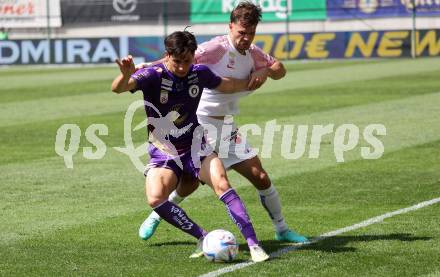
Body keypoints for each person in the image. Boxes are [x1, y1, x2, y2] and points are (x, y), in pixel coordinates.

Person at [139, 1, 309, 244]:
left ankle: (281, 229)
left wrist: (266, 71)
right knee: (189, 184)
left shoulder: (253, 53)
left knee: (260, 176)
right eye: (241, 32)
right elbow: (178, 58)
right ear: (230, 26)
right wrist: (149, 66)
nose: (246, 38)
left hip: (226, 126)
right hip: (199, 125)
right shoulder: (216, 48)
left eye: (251, 33)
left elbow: (280, 69)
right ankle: (157, 214)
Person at [112, 30, 270, 262]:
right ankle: (201, 236)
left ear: (194, 56)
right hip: (164, 151)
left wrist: (257, 76)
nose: (182, 67)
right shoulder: (153, 75)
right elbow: (118, 88)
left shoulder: (199, 73)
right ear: (167, 56)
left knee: (223, 183)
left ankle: (254, 244)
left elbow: (225, 85)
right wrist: (125, 75)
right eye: (177, 61)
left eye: (187, 61)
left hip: (197, 146)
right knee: (155, 198)